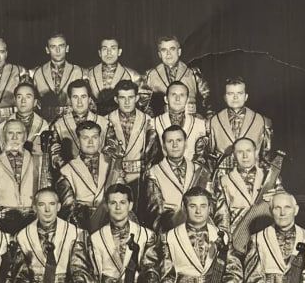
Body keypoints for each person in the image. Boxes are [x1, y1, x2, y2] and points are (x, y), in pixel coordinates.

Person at [145, 125, 214, 235]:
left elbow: (210, 204)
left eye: (179, 140)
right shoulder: (153, 172)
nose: (175, 145)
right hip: (169, 231)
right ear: (163, 145)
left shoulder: (200, 170)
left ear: (186, 143)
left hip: (200, 230)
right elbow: (155, 212)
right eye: (170, 141)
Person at [107, 80, 162, 214]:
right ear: (116, 99)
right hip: (113, 175)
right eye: (122, 98)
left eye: (130, 97)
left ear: (137, 98)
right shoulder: (106, 120)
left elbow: (153, 151)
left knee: (137, 212)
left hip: (138, 177)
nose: (127, 102)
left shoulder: (148, 120)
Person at [204, 77, 273, 178]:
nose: (235, 97)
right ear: (225, 97)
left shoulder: (262, 122)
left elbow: (266, 158)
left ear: (246, 96)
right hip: (223, 178)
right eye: (230, 93)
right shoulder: (212, 122)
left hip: (253, 177)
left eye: (239, 93)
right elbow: (209, 157)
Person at [213, 137, 280, 238]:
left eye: (248, 151)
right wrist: (226, 238)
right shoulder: (224, 181)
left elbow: (284, 203)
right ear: (233, 155)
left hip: (266, 233)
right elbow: (222, 214)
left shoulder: (270, 176)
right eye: (240, 152)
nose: (245, 156)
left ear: (255, 152)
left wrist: (276, 198)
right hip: (238, 236)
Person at [57, 121, 120, 230]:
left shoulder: (112, 164)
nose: (90, 142)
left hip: (111, 221)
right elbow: (68, 208)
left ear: (100, 140)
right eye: (85, 138)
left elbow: (121, 194)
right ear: (78, 141)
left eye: (94, 137)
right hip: (81, 223)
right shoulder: (67, 170)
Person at [0, 120, 38, 234]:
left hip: (33, 221)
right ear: (4, 136)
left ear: (25, 136)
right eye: (10, 133)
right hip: (3, 222)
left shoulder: (38, 163)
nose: (14, 137)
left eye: (19, 133)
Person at [51, 79, 117, 167]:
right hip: (69, 173)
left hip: (99, 172)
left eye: (83, 97)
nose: (79, 102)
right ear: (69, 100)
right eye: (75, 97)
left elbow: (112, 150)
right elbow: (55, 154)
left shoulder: (105, 123)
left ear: (89, 99)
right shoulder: (59, 125)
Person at [144, 35, 211, 118]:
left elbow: (208, 100)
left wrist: (207, 118)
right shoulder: (150, 75)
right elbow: (144, 105)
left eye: (172, 49)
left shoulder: (193, 73)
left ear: (179, 52)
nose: (168, 54)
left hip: (190, 121)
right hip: (162, 122)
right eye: (164, 50)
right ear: (159, 54)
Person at [30, 33, 85, 121]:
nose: (58, 50)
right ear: (47, 50)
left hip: (72, 120)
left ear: (67, 48)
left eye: (61, 46)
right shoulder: (37, 73)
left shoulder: (79, 71)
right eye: (53, 47)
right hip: (45, 121)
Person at [87, 37, 147, 115]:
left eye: (113, 48)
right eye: (105, 49)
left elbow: (143, 104)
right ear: (99, 53)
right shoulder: (88, 74)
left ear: (119, 52)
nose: (109, 53)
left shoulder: (133, 75)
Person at [152, 81, 206, 163]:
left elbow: (202, 156)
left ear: (187, 99)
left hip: (192, 169)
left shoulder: (200, 124)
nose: (177, 99)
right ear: (166, 99)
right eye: (173, 95)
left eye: (182, 95)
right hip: (164, 169)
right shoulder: (153, 123)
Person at [0, 82, 50, 157]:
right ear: (15, 101)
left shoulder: (44, 125)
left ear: (35, 102)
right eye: (19, 97)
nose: (23, 101)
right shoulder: (2, 127)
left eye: (28, 97)